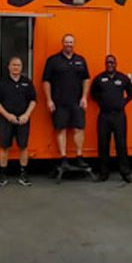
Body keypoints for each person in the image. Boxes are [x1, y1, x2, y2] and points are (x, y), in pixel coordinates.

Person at [42, 33, 91, 170]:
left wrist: (84, 97)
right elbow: (46, 81)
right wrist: (49, 100)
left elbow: (86, 79)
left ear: (74, 44)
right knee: (61, 129)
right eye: (66, 42)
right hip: (59, 102)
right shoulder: (53, 60)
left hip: (77, 102)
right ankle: (63, 158)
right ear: (62, 43)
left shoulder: (81, 60)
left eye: (71, 42)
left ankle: (79, 157)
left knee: (79, 128)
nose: (69, 44)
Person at [0, 56, 36, 186]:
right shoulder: (2, 83)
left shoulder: (27, 82)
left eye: (18, 65)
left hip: (23, 119)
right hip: (6, 120)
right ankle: (3, 174)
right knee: (4, 146)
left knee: (23, 146)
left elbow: (33, 100)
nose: (16, 67)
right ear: (9, 67)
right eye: (14, 65)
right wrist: (8, 115)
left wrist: (26, 115)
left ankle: (23, 174)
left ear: (22, 67)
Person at [90, 54, 132, 183]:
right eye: (108, 63)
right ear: (105, 64)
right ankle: (103, 173)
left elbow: (131, 93)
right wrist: (101, 102)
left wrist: (123, 102)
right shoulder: (99, 79)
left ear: (116, 64)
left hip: (119, 116)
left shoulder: (123, 78)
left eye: (112, 63)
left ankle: (125, 173)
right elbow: (93, 94)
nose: (110, 65)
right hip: (104, 115)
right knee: (103, 144)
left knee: (121, 144)